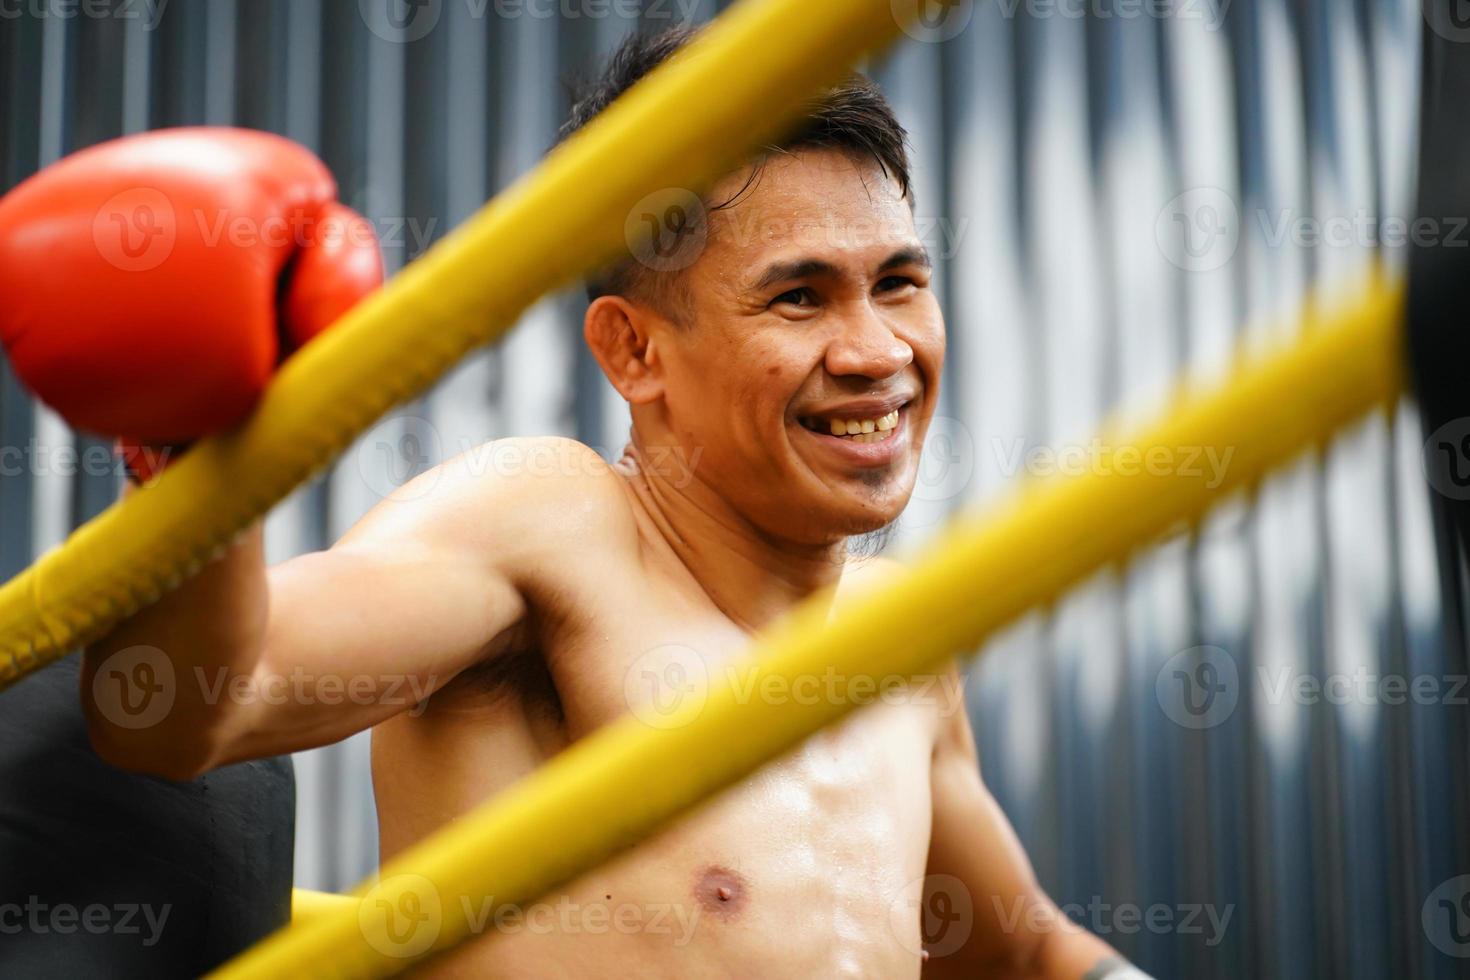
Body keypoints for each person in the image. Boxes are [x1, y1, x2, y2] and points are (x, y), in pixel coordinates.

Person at [10, 26, 1147, 980]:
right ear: (635, 350)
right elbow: (183, 713)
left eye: (900, 281)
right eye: (798, 296)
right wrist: (199, 441)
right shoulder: (548, 524)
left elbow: (1029, 950)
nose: (876, 349)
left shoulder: (904, 649)